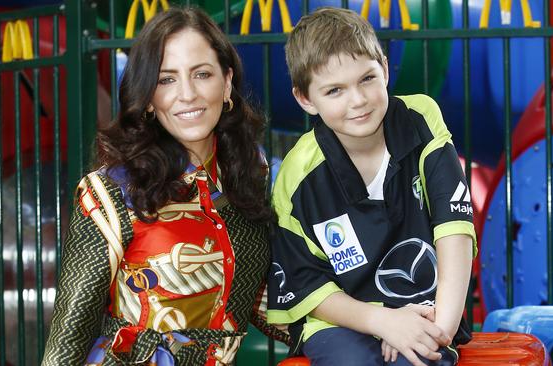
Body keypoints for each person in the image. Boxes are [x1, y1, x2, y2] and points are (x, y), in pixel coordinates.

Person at [42, 7, 287, 365]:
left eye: (202, 74)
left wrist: (369, 326)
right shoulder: (108, 193)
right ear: (148, 98)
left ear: (227, 81)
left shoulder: (251, 177)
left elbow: (271, 303)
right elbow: (67, 341)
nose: (186, 94)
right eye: (166, 79)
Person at [266, 7, 476, 366]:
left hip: (424, 309)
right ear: (305, 99)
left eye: (367, 78)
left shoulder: (420, 120)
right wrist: (383, 321)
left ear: (385, 66)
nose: (358, 100)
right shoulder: (297, 174)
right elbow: (305, 283)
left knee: (420, 360)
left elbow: (453, 228)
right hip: (340, 320)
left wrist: (437, 331)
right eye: (335, 90)